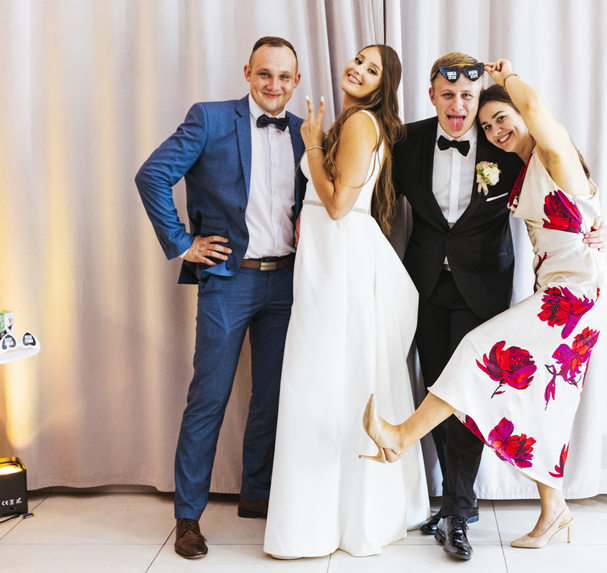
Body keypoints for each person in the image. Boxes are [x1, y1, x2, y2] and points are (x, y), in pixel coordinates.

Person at [362, 58, 607, 551]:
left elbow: (540, 121)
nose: (495, 131)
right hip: (531, 290)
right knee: (547, 402)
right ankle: (554, 508)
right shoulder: (510, 157)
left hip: (571, 295)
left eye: (501, 118)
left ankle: (403, 442)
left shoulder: (551, 150)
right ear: (432, 96)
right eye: (490, 124)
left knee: (478, 353)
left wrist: (509, 75)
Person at [135, 36, 306, 559]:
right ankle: (188, 516)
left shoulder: (306, 133)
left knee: (272, 395)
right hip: (230, 280)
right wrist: (183, 243)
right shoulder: (210, 119)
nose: (274, 85)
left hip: (288, 282)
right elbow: (152, 175)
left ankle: (256, 494)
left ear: (296, 81)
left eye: (284, 76)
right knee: (209, 397)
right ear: (248, 72)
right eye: (265, 74)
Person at [263, 45, 429, 559]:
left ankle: (321, 521)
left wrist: (313, 143)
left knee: (322, 376)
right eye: (358, 59)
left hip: (338, 260)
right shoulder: (353, 121)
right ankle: (335, 513)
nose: (357, 68)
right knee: (330, 376)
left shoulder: (359, 123)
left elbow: (337, 205)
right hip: (327, 257)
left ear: (383, 86)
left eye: (371, 69)